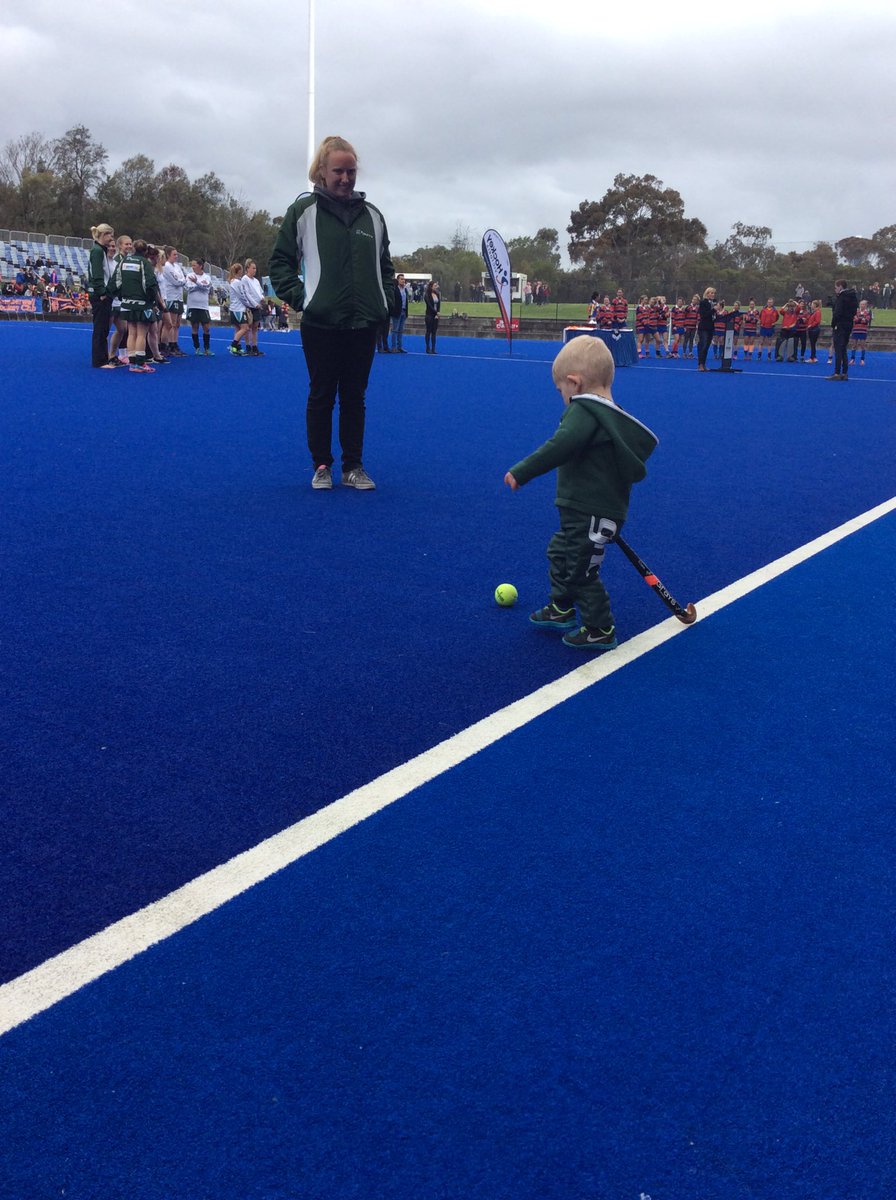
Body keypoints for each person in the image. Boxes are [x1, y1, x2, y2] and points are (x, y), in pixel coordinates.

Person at [503, 337, 657, 651]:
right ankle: (561, 608)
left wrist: (522, 471)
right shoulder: (610, 415)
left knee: (581, 569)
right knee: (561, 552)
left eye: (560, 390)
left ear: (574, 383)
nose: (562, 396)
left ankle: (600, 628)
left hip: (590, 511)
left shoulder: (584, 411)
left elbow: (559, 446)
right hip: (587, 509)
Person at [269, 134, 396, 491]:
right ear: (322, 172)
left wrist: (384, 299)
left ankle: (353, 466)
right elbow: (279, 263)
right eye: (338, 171)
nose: (345, 178)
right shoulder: (302, 212)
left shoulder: (373, 216)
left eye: (351, 171)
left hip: (363, 323)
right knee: (322, 394)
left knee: (355, 396)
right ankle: (321, 465)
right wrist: (303, 298)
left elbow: (385, 266)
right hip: (320, 323)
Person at [106, 238, 161, 374]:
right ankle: (140, 363)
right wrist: (152, 301)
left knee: (131, 332)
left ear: (133, 249)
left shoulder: (123, 261)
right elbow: (151, 284)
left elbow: (115, 281)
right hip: (142, 304)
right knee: (141, 333)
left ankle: (132, 363)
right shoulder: (145, 263)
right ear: (145, 251)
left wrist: (119, 295)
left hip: (126, 303)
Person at [86, 222, 116, 367]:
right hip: (100, 295)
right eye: (110, 235)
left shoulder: (100, 250)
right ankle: (99, 360)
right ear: (104, 235)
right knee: (100, 328)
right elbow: (97, 274)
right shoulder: (97, 251)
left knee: (103, 329)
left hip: (102, 294)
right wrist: (102, 292)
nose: (111, 238)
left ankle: (102, 358)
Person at [828, 279, 859, 380]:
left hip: (840, 324)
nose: (835, 289)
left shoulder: (842, 297)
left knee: (838, 348)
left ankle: (837, 373)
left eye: (836, 287)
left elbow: (838, 312)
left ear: (840, 286)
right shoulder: (853, 296)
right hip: (849, 324)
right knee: (844, 348)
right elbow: (854, 311)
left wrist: (833, 324)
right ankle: (845, 373)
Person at [186, 258, 214, 355]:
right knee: (195, 327)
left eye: (194, 265)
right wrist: (199, 285)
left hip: (203, 306)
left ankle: (207, 349)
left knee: (206, 327)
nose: (192, 267)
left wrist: (196, 283)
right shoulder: (190, 275)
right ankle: (197, 348)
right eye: (192, 265)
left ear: (200, 266)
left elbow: (206, 287)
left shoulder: (207, 277)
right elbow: (188, 288)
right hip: (193, 305)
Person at [241, 259, 266, 357]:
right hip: (249, 307)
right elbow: (247, 293)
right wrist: (254, 303)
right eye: (253, 268)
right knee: (248, 327)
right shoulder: (245, 279)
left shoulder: (256, 280)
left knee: (255, 327)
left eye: (255, 268)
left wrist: (262, 298)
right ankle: (248, 347)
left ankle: (255, 346)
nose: (255, 270)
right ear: (248, 268)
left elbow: (260, 292)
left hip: (257, 306)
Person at [226, 263, 251, 356]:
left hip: (235, 308)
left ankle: (238, 347)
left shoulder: (234, 281)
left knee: (238, 329)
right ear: (239, 271)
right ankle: (233, 345)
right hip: (238, 309)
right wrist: (248, 305)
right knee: (245, 328)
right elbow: (241, 296)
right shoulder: (236, 282)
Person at [696, 286, 717, 371]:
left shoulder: (713, 303)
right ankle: (700, 364)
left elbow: (714, 316)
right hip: (703, 327)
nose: (713, 294)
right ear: (707, 294)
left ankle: (703, 364)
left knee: (707, 347)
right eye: (711, 293)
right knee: (703, 345)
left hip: (711, 327)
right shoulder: (703, 303)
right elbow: (704, 315)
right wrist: (713, 310)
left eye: (713, 293)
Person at [849, 298, 872, 366]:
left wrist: (859, 319)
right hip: (855, 330)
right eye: (861, 304)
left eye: (863, 304)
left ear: (866, 305)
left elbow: (866, 321)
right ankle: (852, 359)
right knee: (854, 345)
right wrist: (861, 319)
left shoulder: (867, 312)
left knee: (862, 346)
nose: (862, 305)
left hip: (863, 331)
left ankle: (862, 360)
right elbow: (854, 320)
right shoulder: (856, 312)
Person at [391, 273, 409, 352]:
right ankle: (394, 347)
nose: (403, 280)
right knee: (395, 330)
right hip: (397, 312)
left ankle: (400, 347)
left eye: (404, 279)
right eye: (401, 279)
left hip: (404, 312)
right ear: (398, 280)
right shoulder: (394, 289)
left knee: (401, 330)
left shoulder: (405, 289)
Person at [424, 279, 440, 353]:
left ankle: (433, 348)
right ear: (431, 286)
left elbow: (439, 304)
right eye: (434, 286)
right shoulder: (427, 295)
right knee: (428, 331)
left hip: (436, 316)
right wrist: (436, 312)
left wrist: (438, 312)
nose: (436, 287)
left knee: (434, 332)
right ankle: (428, 347)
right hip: (429, 315)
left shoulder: (437, 294)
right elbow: (429, 305)